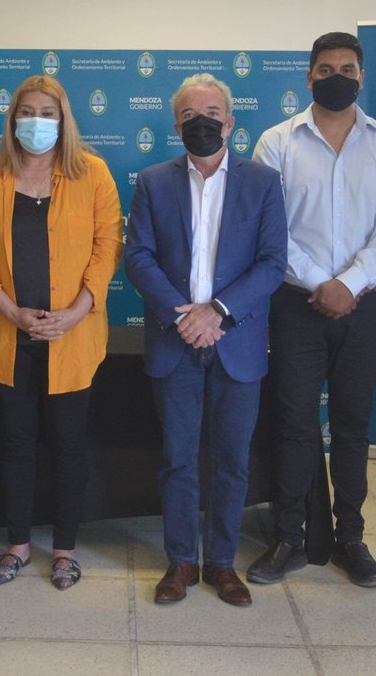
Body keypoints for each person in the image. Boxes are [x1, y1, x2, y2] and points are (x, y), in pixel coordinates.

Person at [248, 31, 376, 588]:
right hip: (296, 306)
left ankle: (351, 539)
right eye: (325, 69)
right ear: (309, 77)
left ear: (361, 77)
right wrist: (324, 284)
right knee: (294, 425)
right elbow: (271, 228)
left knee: (352, 428)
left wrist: (350, 284)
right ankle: (290, 539)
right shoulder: (276, 142)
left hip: (365, 309)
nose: (336, 77)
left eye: (347, 69)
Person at [125, 74, 288, 607]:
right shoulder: (153, 182)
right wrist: (184, 318)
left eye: (213, 113)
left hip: (236, 341)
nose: (203, 122)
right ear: (176, 127)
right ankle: (181, 561)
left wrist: (216, 313)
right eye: (191, 115)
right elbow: (138, 258)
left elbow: (273, 263)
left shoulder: (263, 182)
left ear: (231, 122)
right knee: (178, 459)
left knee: (232, 461)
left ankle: (221, 562)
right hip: (175, 341)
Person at [0, 75, 122, 590]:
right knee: (16, 444)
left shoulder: (93, 174)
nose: (37, 121)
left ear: (63, 120)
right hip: (9, 336)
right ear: (12, 121)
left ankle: (66, 550)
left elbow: (108, 248)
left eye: (47, 113)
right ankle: (18, 545)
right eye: (26, 112)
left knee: (69, 445)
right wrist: (11, 311)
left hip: (73, 336)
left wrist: (77, 310)